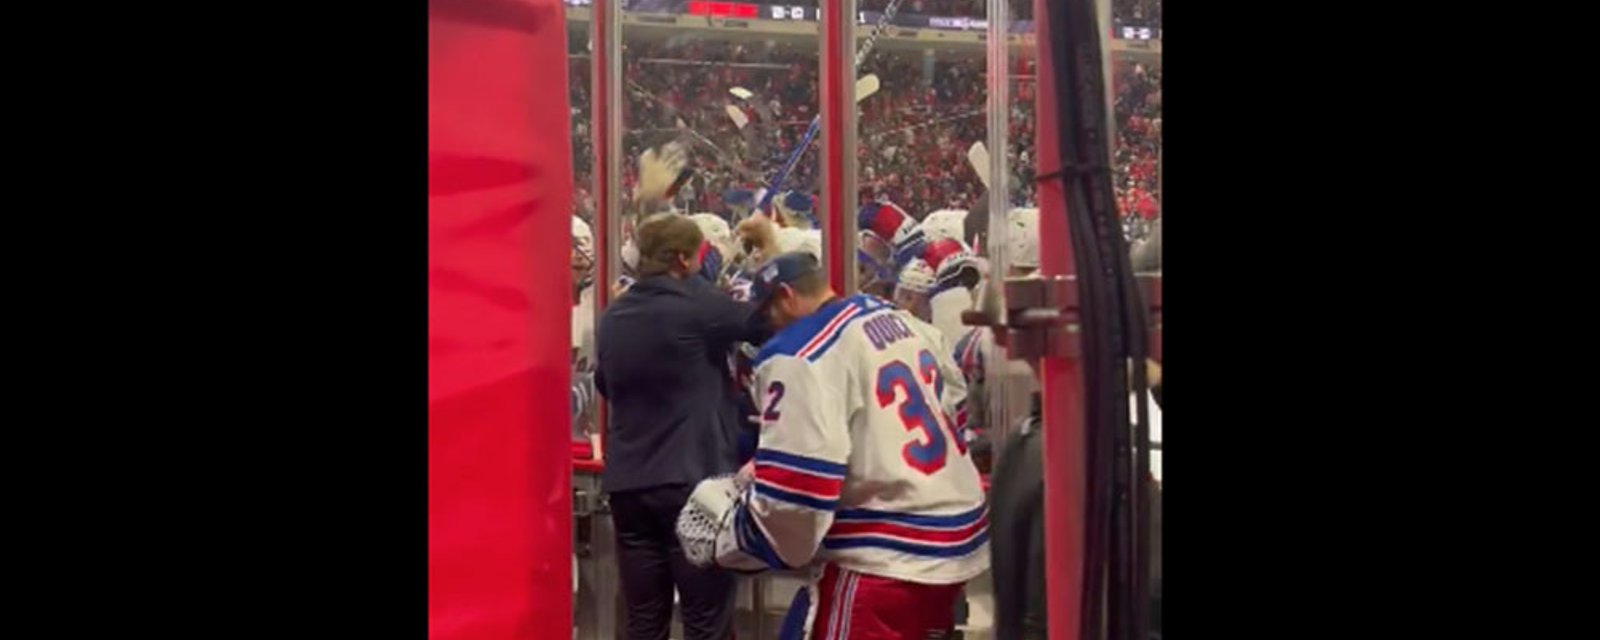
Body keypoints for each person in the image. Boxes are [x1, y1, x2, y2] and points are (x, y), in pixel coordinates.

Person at [706, 251, 988, 638]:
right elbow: (953, 408)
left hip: (884, 556)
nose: (768, 327)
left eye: (768, 313)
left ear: (786, 295)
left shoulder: (796, 351)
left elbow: (797, 496)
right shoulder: (898, 318)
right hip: (954, 539)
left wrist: (740, 533)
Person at [594, 212, 768, 640]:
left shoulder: (613, 315)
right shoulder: (697, 303)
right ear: (683, 260)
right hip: (693, 486)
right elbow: (766, 321)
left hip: (629, 486)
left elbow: (604, 382)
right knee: (706, 619)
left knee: (644, 620)